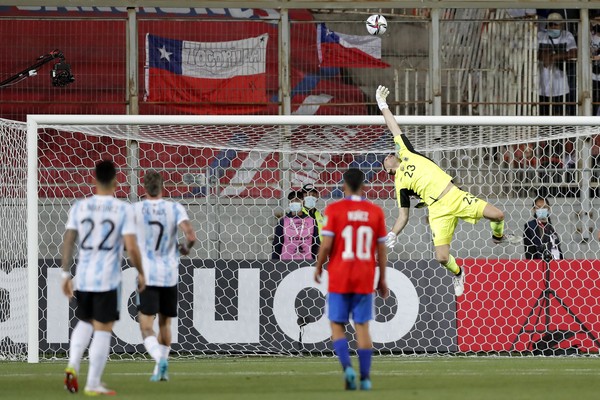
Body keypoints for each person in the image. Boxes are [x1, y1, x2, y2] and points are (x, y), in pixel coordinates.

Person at [375, 85, 520, 297]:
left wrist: (382, 104)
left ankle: (498, 238)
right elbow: (403, 215)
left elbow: (393, 127)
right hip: (437, 211)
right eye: (384, 160)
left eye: (388, 155)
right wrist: (393, 234)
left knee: (498, 215)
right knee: (442, 257)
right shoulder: (400, 185)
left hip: (454, 195)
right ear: (388, 171)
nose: (387, 156)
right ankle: (458, 273)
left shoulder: (407, 152)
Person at [61, 160, 146, 396]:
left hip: (84, 276)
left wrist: (65, 273)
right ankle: (92, 383)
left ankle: (72, 364)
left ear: (93, 180)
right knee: (103, 329)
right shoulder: (122, 209)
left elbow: (69, 239)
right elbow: (131, 246)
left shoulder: (80, 207)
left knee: (86, 321)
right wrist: (141, 271)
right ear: (116, 182)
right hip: (107, 278)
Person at [314, 168, 388, 391]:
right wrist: (382, 278)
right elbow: (381, 249)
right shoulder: (375, 212)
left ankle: (347, 369)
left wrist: (318, 266)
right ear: (364, 186)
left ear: (344, 185)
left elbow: (326, 245)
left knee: (337, 325)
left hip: (339, 275)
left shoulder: (334, 209)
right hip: (364, 276)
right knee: (362, 326)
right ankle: (365, 378)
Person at [134, 171, 196, 382]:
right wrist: (185, 249)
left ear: (144, 187)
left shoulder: (135, 209)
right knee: (164, 324)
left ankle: (158, 360)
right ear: (162, 187)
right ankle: (161, 367)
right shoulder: (174, 208)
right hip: (170, 274)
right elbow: (191, 236)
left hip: (148, 274)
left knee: (145, 324)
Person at [538, 12, 577, 117]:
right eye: (551, 24)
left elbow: (574, 52)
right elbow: (532, 51)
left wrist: (553, 57)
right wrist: (543, 56)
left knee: (561, 113)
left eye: (556, 24)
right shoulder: (541, 35)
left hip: (560, 83)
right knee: (543, 113)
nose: (553, 27)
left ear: (561, 25)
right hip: (541, 84)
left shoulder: (566, 35)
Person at [272, 190, 320, 261]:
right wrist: (274, 263)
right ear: (289, 203)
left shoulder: (311, 221)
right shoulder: (283, 221)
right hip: (286, 262)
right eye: (292, 200)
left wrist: (318, 262)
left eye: (297, 200)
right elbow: (277, 245)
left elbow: (316, 244)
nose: (294, 202)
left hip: (307, 262)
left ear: (302, 202)